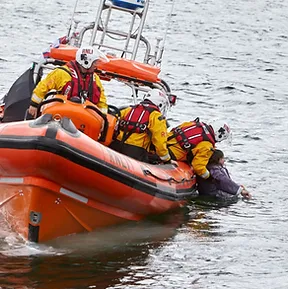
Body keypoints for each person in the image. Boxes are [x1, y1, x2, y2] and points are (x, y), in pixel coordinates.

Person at [28, 46, 108, 118]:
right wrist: (34, 105)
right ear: (86, 62)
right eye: (94, 62)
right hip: (61, 114)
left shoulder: (95, 79)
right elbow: (43, 86)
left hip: (84, 118)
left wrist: (103, 118)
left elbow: (102, 101)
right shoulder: (62, 73)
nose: (96, 65)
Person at [110, 88, 171, 163]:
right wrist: (166, 159)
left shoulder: (129, 109)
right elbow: (160, 141)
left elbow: (112, 119)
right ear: (160, 104)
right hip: (135, 152)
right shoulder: (156, 116)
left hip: (116, 146)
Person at [167, 118, 231, 179]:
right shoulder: (207, 146)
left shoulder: (194, 124)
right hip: (172, 154)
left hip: (164, 143)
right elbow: (198, 166)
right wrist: (208, 176)